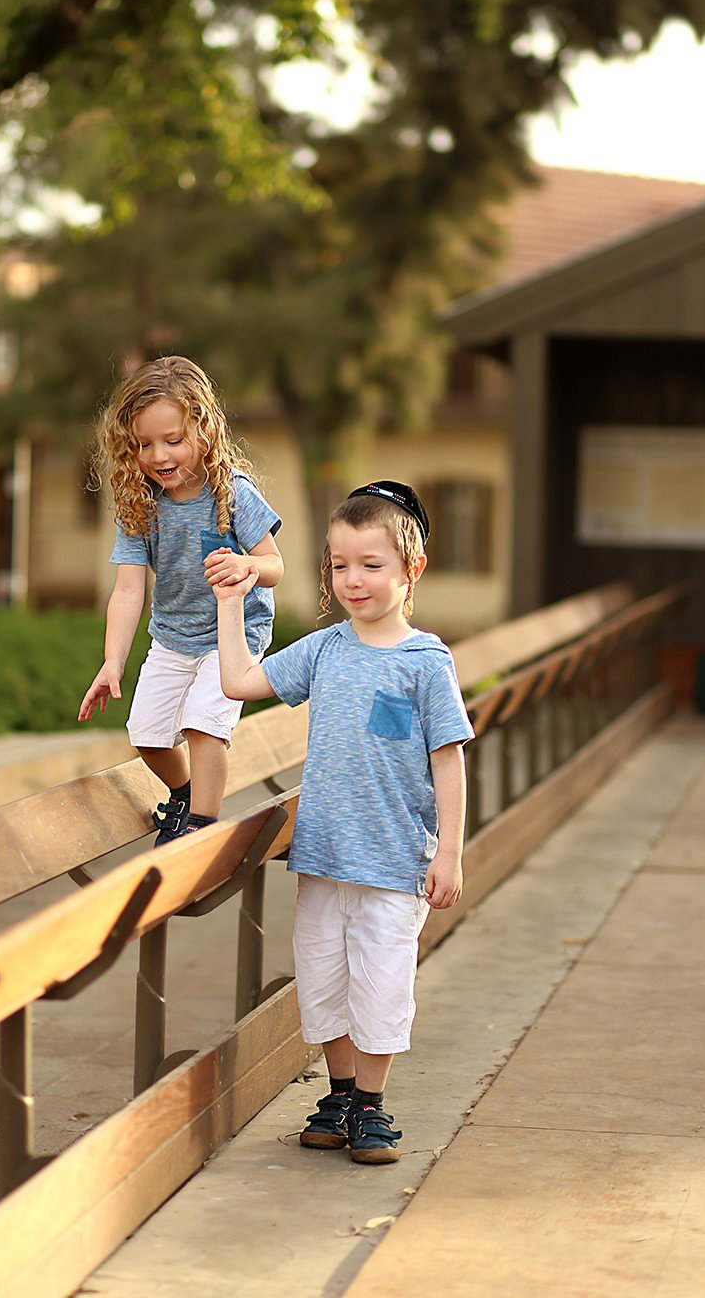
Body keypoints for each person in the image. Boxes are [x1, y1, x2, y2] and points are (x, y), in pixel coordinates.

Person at [215, 480, 473, 1164]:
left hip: (394, 863)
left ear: (410, 568)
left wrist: (450, 852)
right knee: (324, 979)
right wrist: (230, 602)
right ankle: (340, 1094)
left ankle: (371, 1106)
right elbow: (240, 683)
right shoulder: (325, 649)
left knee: (381, 986)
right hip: (323, 857)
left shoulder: (426, 663)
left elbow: (448, 763)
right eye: (339, 566)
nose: (352, 580)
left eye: (371, 565)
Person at [78, 356, 283, 844]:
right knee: (146, 734)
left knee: (203, 726)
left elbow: (275, 566)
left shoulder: (231, 493)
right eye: (144, 444)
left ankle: (202, 827)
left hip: (232, 636)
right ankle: (187, 794)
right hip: (173, 636)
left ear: (204, 431)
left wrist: (247, 567)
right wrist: (113, 661)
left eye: (173, 440)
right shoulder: (140, 503)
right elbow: (128, 589)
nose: (159, 455)